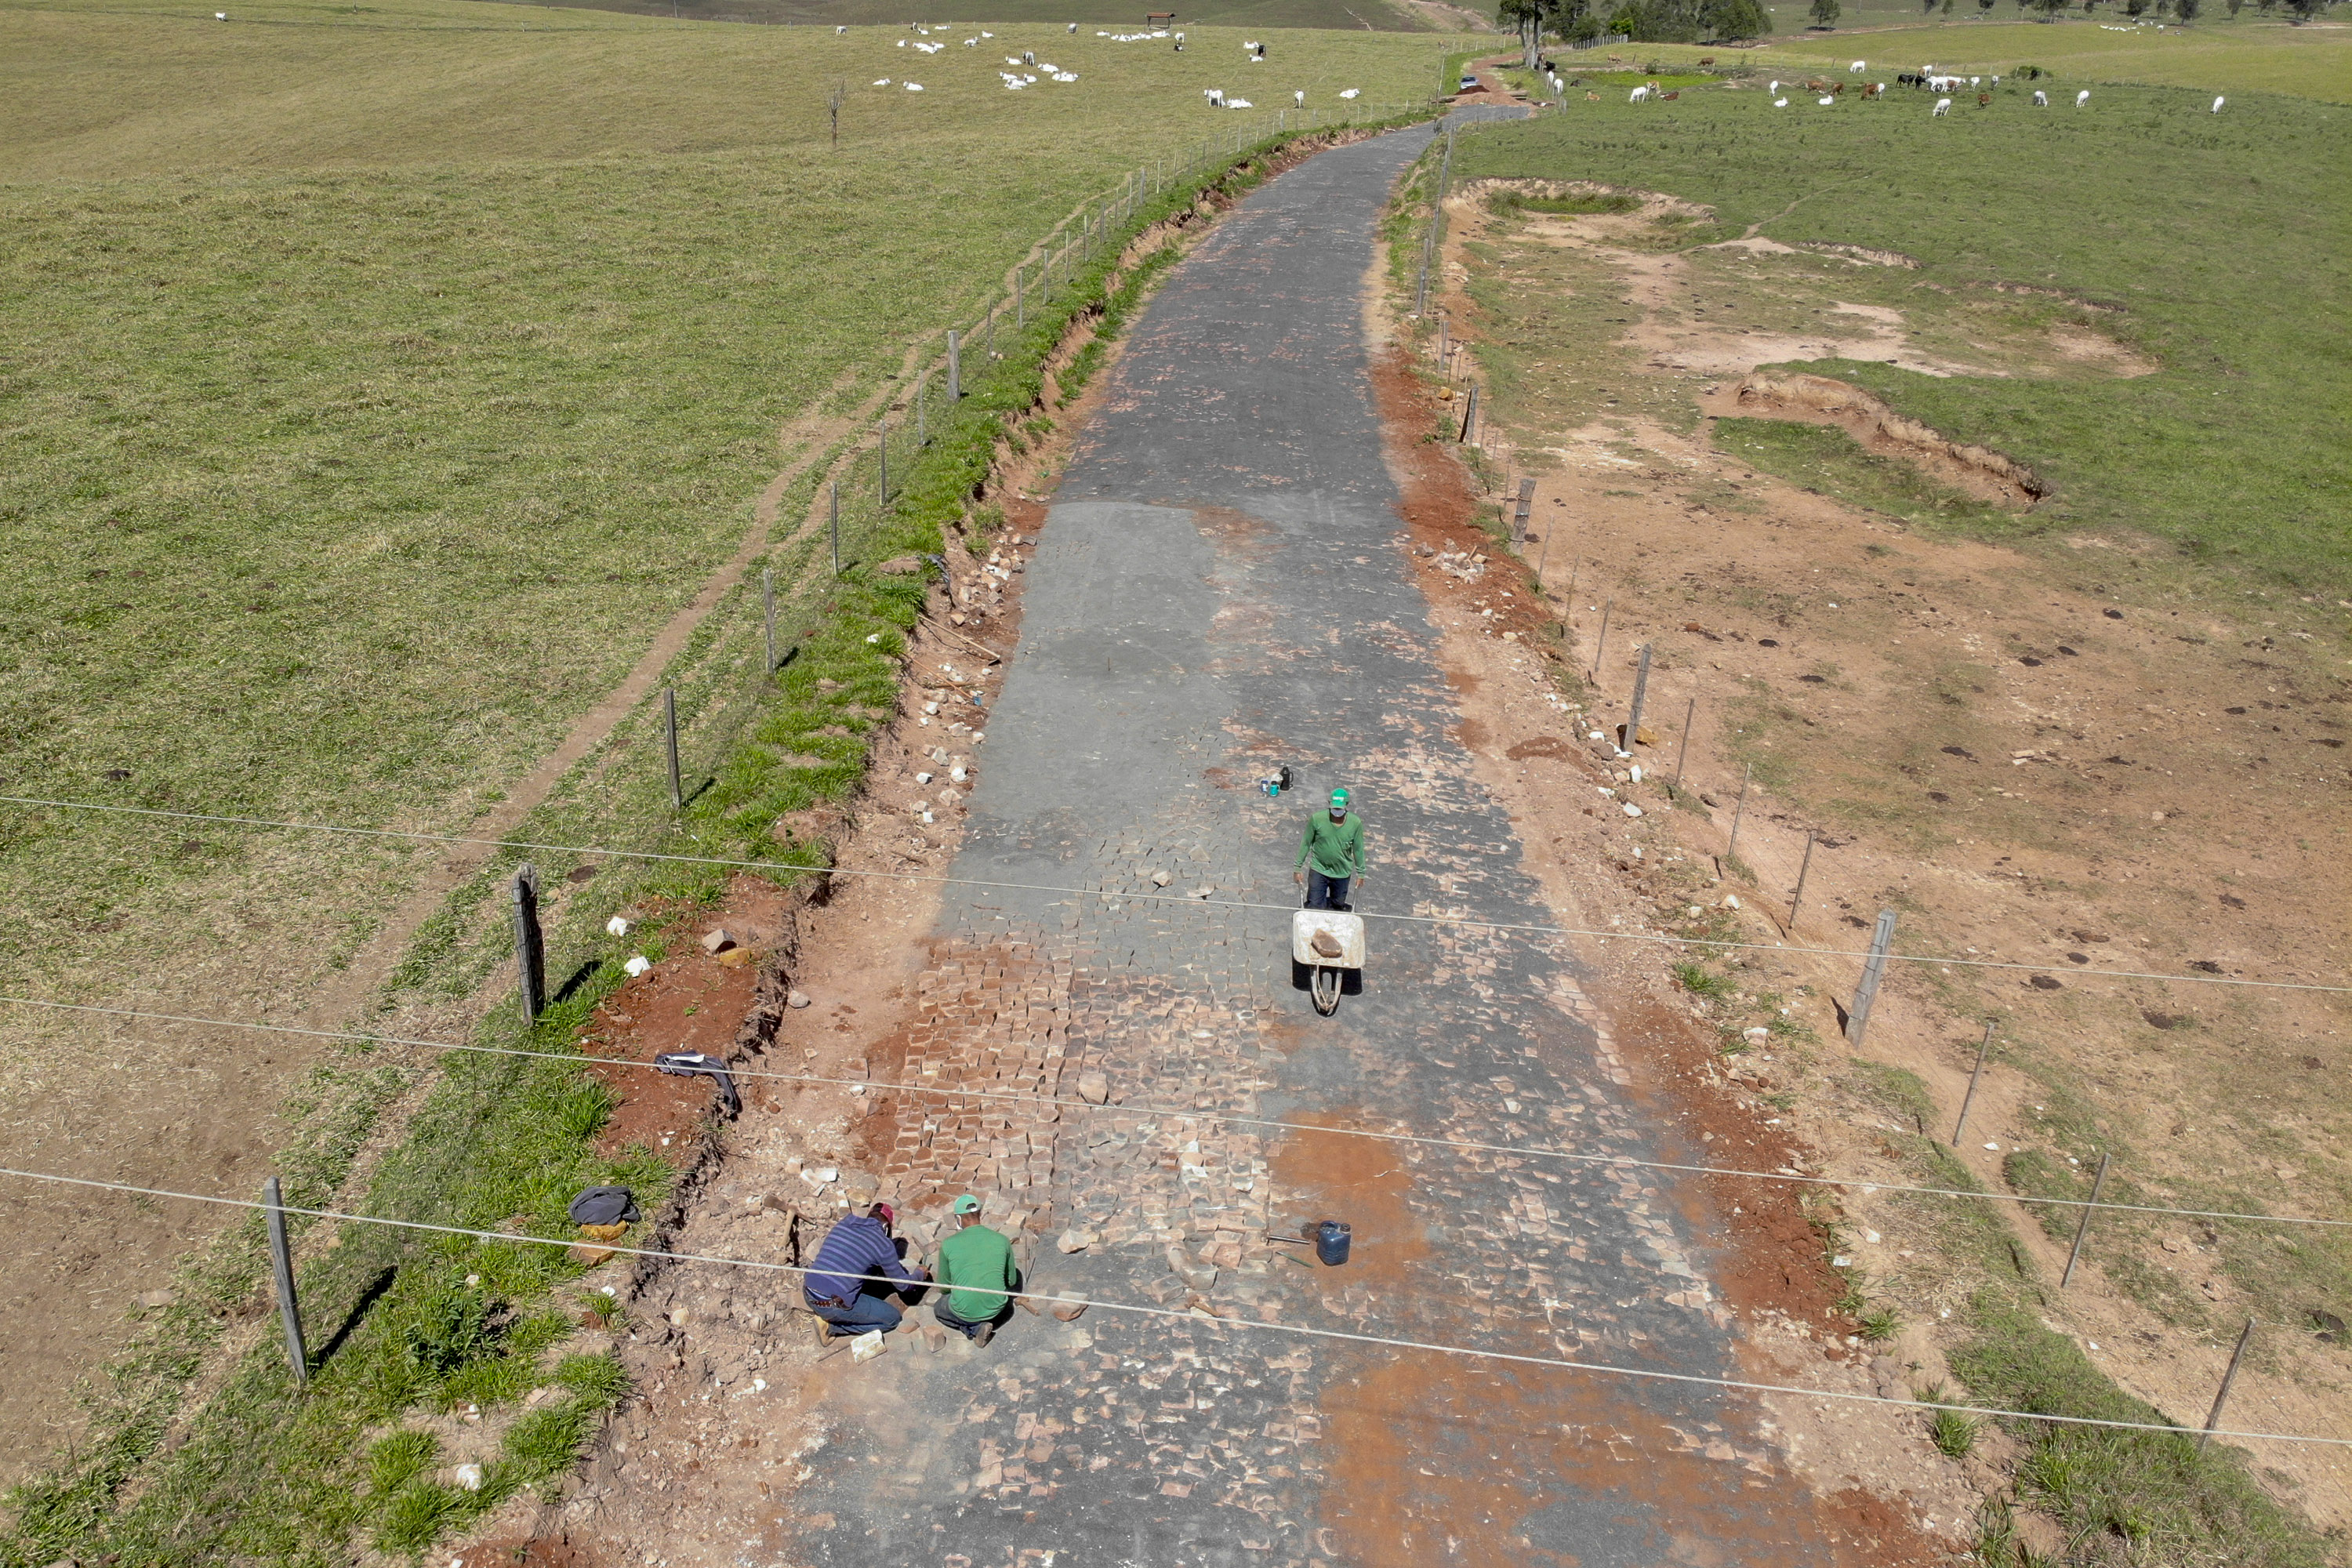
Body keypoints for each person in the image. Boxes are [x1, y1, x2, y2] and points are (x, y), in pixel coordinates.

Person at [804, 1198, 928, 1344]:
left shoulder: (845, 1223)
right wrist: (920, 1274)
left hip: (808, 1292)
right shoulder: (884, 1244)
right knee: (892, 1319)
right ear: (887, 1228)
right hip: (832, 1306)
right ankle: (831, 1327)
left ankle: (828, 1315)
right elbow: (904, 1285)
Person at [931, 1194, 1022, 1346]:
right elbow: (1011, 1281)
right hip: (998, 1308)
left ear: (959, 1219)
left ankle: (974, 1329)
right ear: (980, 1214)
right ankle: (984, 1323)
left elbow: (944, 1288)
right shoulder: (1002, 1240)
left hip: (966, 1311)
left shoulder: (948, 1244)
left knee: (939, 1309)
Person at [1293, 787, 1367, 912]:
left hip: (1342, 872)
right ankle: (1315, 907)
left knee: (1337, 905)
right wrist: (1297, 867)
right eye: (1335, 808)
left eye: (1339, 808)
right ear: (1329, 804)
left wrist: (1361, 873)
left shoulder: (1355, 823)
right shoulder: (1317, 819)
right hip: (1319, 869)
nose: (1337, 811)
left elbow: (1358, 849)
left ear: (1346, 805)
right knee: (1315, 906)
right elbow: (1306, 843)